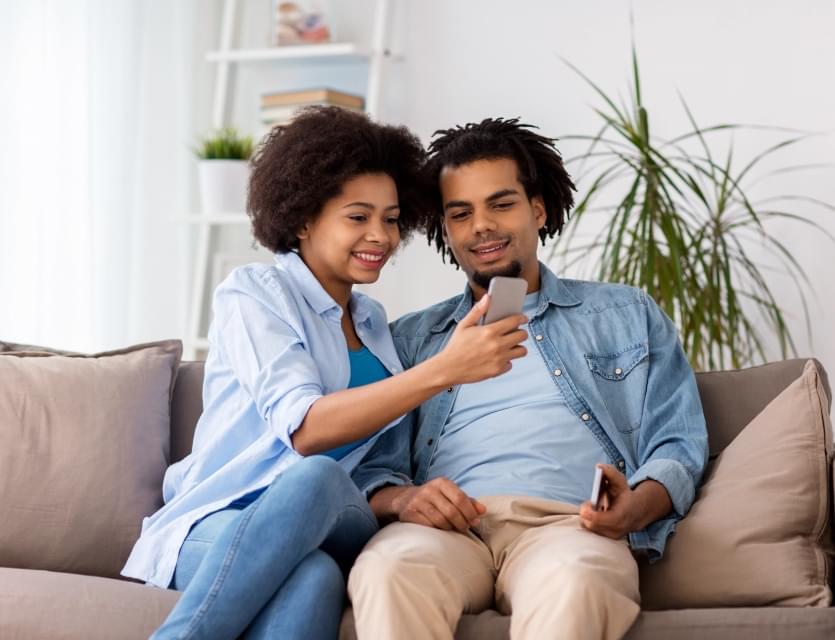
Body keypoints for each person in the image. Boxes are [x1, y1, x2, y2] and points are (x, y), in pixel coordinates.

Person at [121, 107, 528, 640]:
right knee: (312, 575)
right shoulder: (255, 295)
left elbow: (373, 468)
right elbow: (306, 430)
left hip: (337, 518)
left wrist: (401, 497)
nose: (380, 236)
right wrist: (442, 369)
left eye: (390, 218)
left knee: (320, 485)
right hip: (222, 520)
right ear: (304, 218)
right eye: (358, 217)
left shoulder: (377, 325)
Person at [347, 118, 710, 640]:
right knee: (386, 571)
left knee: (576, 580)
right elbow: (370, 468)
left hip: (567, 528)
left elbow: (677, 443)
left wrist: (635, 507)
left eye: (501, 203)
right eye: (461, 213)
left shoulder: (625, 313)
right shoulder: (407, 340)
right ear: (446, 231)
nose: (481, 227)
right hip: (446, 533)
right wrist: (400, 499)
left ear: (537, 209)